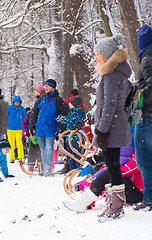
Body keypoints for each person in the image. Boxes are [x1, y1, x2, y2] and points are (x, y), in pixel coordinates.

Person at [93, 34, 132, 222]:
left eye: (98, 54)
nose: (95, 57)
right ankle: (115, 204)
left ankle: (116, 206)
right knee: (112, 165)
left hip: (111, 128)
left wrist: (101, 130)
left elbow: (109, 105)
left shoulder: (111, 75)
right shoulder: (115, 73)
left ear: (107, 55)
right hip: (114, 125)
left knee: (113, 167)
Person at [63, 147, 143, 214]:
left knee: (108, 175)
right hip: (138, 190)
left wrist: (112, 171)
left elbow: (132, 167)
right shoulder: (142, 148)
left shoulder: (143, 151)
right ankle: (85, 200)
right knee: (107, 174)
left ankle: (83, 201)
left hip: (141, 194)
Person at [29, 79, 68, 177]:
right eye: (45, 86)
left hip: (51, 129)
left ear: (53, 87)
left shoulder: (58, 100)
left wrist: (60, 128)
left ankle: (48, 169)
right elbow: (34, 112)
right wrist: (32, 125)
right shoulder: (41, 99)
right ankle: (45, 168)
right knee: (42, 149)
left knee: (49, 149)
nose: (45, 88)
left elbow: (63, 115)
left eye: (48, 86)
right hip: (40, 128)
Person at [134, 24, 152, 211]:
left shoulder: (148, 59)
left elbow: (150, 87)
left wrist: (138, 99)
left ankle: (149, 198)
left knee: (144, 159)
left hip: (146, 116)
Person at [22, 84, 44, 172]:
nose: (35, 93)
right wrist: (27, 131)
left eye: (36, 91)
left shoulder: (42, 99)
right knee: (34, 149)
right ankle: (33, 165)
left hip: (39, 129)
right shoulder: (38, 101)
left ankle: (39, 166)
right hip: (35, 131)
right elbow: (23, 122)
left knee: (38, 150)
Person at [60, 96, 86, 171]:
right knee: (70, 155)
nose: (69, 104)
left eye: (70, 103)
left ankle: (78, 169)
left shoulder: (77, 112)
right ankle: (72, 170)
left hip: (75, 137)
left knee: (75, 154)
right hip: (71, 137)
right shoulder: (73, 112)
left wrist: (63, 120)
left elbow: (72, 122)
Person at [7, 95, 26, 163]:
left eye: (18, 102)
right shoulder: (9, 108)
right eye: (15, 102)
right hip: (10, 128)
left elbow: (25, 119)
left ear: (20, 102)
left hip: (19, 128)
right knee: (11, 144)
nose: (17, 103)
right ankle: (11, 158)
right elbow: (6, 117)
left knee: (19, 143)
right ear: (13, 102)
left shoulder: (22, 109)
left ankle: (21, 157)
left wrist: (24, 127)